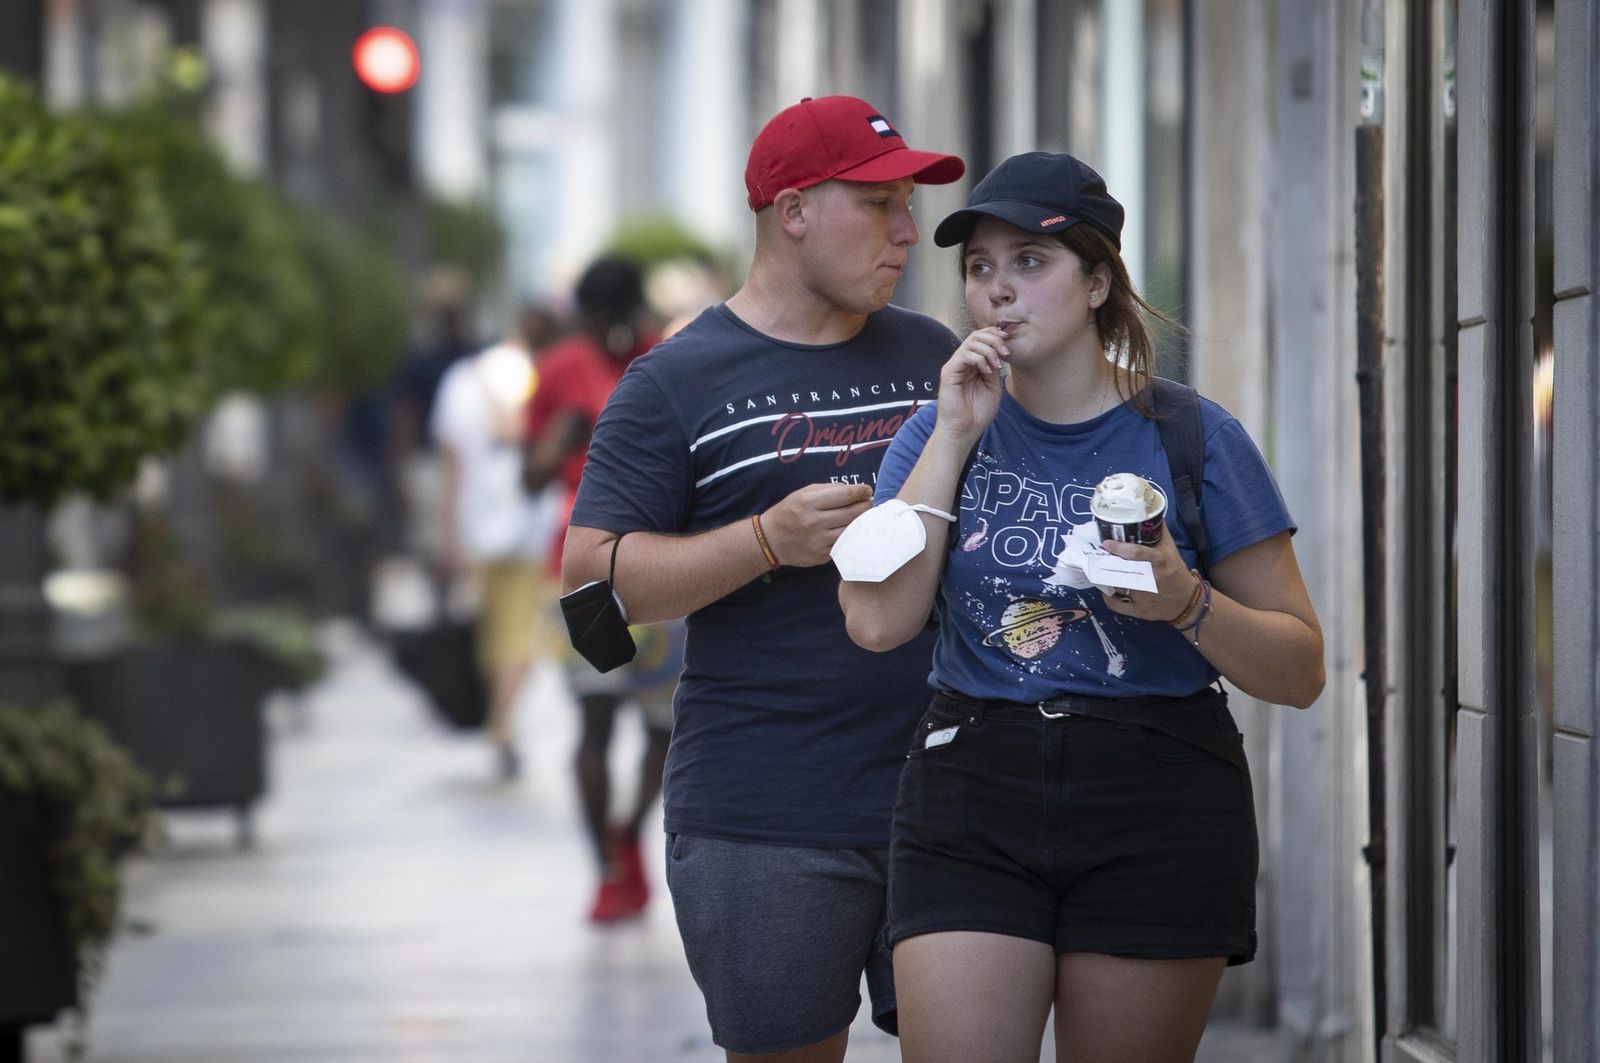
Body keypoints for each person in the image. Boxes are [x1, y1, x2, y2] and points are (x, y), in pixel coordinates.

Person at [837, 151, 1326, 1063]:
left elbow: (1300, 669)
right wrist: (951, 437)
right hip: (972, 783)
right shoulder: (935, 430)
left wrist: (1186, 603)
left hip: (1158, 786)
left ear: (1099, 280)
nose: (999, 292)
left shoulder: (1193, 434)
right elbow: (877, 621)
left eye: (1031, 262)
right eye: (981, 268)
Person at [561, 96, 963, 1059]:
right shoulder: (675, 382)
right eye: (877, 203)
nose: (906, 230)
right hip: (766, 814)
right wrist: (765, 540)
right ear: (791, 212)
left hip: (955, 796)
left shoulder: (932, 355)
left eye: (906, 203)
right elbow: (589, 586)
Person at [523, 255, 682, 923]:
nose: (614, 333)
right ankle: (608, 867)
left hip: (664, 575)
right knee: (594, 720)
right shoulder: (558, 370)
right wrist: (558, 441)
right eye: (601, 321)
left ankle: (627, 829)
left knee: (663, 728)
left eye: (624, 319)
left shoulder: (668, 362)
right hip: (584, 577)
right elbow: (527, 479)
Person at [430, 301, 563, 780]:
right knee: (519, 630)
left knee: (489, 631)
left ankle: (500, 715)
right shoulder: (539, 374)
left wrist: (446, 535)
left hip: (477, 526)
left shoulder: (460, 383)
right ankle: (504, 720)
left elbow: (451, 468)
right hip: (530, 523)